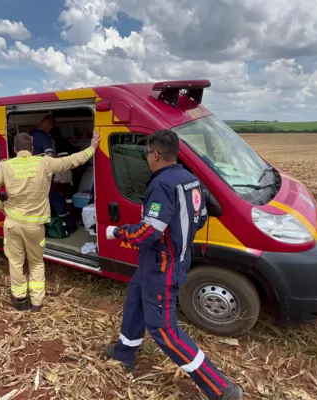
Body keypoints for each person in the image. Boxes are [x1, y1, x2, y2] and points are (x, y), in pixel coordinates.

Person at [101, 130, 242, 400]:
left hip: (162, 264)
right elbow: (199, 218)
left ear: (155, 154)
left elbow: (147, 232)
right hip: (163, 260)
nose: (146, 159)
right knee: (135, 302)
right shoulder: (190, 180)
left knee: (163, 329)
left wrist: (117, 232)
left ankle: (220, 388)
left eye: (146, 155)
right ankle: (124, 353)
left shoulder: (161, 184)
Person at [0, 131, 101, 312]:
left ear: (14, 150)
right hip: (35, 225)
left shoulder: (6, 166)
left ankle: (20, 300)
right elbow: (71, 161)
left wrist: (0, 207)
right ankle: (37, 303)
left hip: (13, 223)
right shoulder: (44, 163)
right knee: (36, 262)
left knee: (15, 262)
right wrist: (92, 148)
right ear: (32, 149)